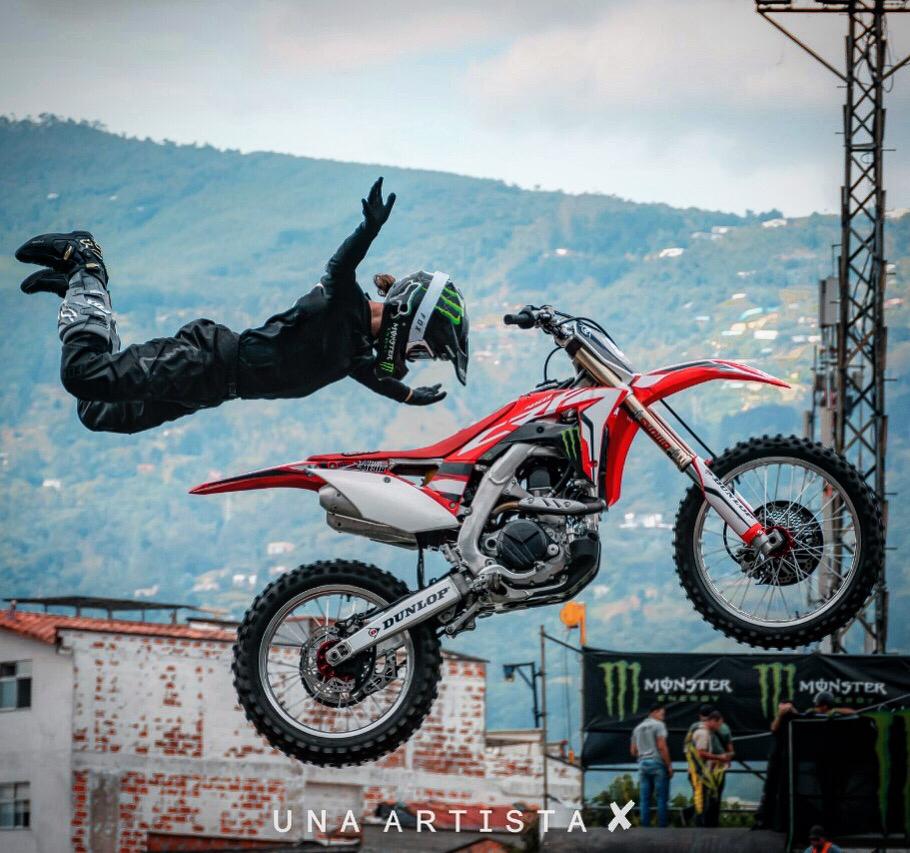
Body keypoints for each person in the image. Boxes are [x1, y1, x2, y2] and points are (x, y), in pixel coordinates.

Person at [15, 178, 469, 434]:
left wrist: (411, 397)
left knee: (96, 412)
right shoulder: (341, 304)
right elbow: (341, 265)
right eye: (421, 349)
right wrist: (368, 230)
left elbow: (379, 380)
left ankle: (80, 296)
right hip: (202, 360)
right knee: (83, 376)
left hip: (207, 390)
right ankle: (86, 266)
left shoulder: (355, 353)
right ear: (409, 318)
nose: (414, 358)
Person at [630, 703, 673, 828]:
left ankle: (645, 827)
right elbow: (662, 746)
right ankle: (662, 827)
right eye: (661, 714)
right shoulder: (659, 725)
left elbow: (633, 751)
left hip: (643, 764)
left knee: (644, 799)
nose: (663, 717)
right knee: (661, 798)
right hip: (657, 763)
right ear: (654, 712)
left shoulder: (637, 728)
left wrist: (644, 752)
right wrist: (669, 765)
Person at [685, 710, 730, 827]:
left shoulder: (702, 731)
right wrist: (719, 757)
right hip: (699, 773)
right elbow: (701, 753)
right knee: (701, 802)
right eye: (719, 724)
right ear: (713, 721)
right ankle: (698, 826)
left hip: (699, 771)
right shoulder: (703, 733)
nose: (719, 728)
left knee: (704, 800)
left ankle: (694, 819)